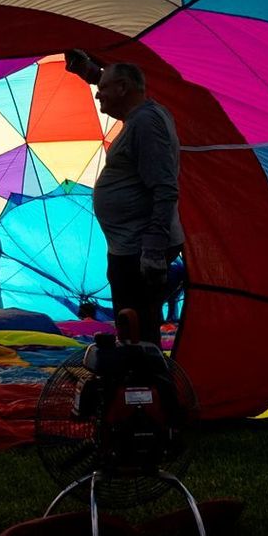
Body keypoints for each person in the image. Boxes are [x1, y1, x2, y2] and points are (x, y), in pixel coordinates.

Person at [64, 49, 184, 345]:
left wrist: (153, 249)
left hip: (140, 248)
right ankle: (141, 380)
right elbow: (123, 82)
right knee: (133, 323)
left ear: (122, 88)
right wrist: (91, 72)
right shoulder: (148, 113)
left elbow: (165, 187)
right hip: (133, 246)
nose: (97, 95)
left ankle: (143, 386)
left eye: (102, 88)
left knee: (136, 328)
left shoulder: (145, 123)